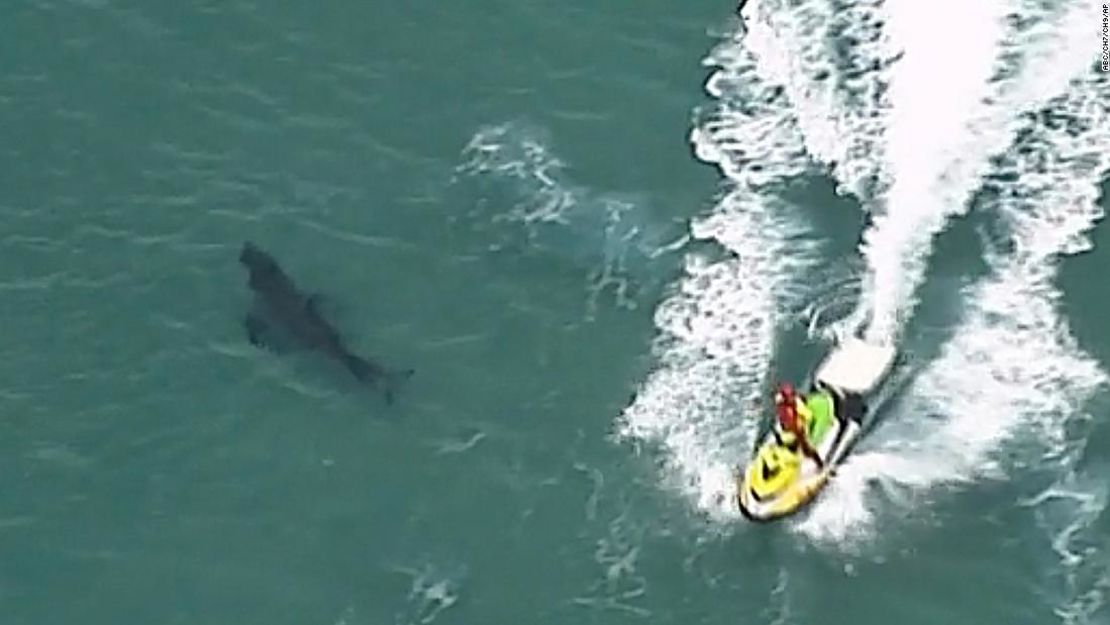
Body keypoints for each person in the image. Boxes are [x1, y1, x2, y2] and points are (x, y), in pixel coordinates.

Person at [773, 382, 824, 467]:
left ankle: (820, 465)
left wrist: (803, 423)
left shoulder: (797, 405)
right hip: (787, 429)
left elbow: (809, 416)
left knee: (808, 449)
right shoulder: (782, 403)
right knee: (785, 447)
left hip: (798, 430)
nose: (790, 398)